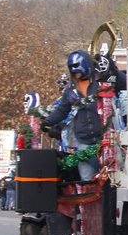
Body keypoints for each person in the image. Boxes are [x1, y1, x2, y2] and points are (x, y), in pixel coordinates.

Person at [42, 50, 104, 182]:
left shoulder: (101, 87)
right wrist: (48, 121)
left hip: (103, 141)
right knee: (87, 180)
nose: (76, 73)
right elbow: (62, 110)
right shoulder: (71, 92)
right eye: (73, 69)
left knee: (107, 178)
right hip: (82, 142)